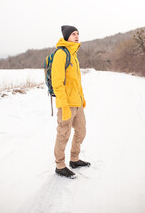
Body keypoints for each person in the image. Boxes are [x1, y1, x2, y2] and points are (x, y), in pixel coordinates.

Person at [51, 25, 90, 179]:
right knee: (63, 134)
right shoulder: (61, 54)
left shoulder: (73, 55)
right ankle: (60, 165)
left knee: (81, 130)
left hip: (77, 102)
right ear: (66, 36)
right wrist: (63, 105)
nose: (76, 36)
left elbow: (76, 82)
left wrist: (82, 98)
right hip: (66, 103)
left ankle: (74, 159)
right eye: (73, 33)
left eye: (78, 33)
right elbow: (57, 83)